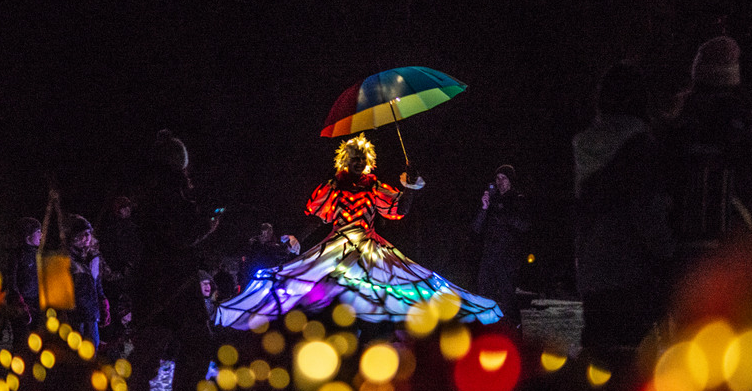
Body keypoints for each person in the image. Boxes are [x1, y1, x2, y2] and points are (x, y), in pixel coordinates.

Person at [215, 133, 503, 329]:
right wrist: (297, 238)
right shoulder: (333, 186)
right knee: (327, 290)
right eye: (354, 157)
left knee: (385, 292)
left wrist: (409, 187)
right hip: (338, 245)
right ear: (346, 160)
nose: (359, 162)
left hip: (369, 246)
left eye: (362, 158)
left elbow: (398, 209)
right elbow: (317, 217)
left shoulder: (374, 187)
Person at [572, 62, 674, 374]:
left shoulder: (583, 145)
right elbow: (647, 211)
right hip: (633, 272)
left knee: (601, 359)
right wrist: (668, 253)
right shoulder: (641, 146)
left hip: (592, 269)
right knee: (635, 365)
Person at [663, 35, 752, 279]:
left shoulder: (676, 130)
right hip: (737, 248)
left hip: (685, 251)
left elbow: (660, 190)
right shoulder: (751, 129)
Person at [129, 131, 222, 391]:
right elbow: (179, 234)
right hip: (169, 281)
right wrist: (206, 226)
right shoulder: (165, 190)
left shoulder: (156, 188)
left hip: (163, 280)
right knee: (158, 344)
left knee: (185, 340)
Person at [472, 164, 531, 333]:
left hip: (508, 257)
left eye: (503, 178)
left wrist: (500, 212)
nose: (500, 182)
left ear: (511, 180)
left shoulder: (518, 199)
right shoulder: (492, 201)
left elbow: (524, 225)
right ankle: (487, 331)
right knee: (485, 293)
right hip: (489, 255)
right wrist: (484, 207)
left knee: (508, 297)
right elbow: (476, 228)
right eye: (497, 178)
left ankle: (515, 332)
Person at [98, 196, 140, 350]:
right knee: (113, 310)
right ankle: (111, 345)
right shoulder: (109, 228)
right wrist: (116, 270)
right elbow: (108, 249)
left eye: (128, 207)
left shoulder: (133, 228)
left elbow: (135, 250)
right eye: (123, 207)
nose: (126, 210)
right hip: (113, 278)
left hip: (128, 277)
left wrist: (130, 266)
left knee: (127, 311)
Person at [67, 214, 110, 349]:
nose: (86, 237)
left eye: (88, 234)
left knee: (92, 345)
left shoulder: (93, 257)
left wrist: (102, 300)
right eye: (82, 234)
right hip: (74, 312)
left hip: (91, 311)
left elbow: (96, 282)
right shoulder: (67, 258)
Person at [4, 217, 43, 351]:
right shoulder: (17, 255)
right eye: (38, 232)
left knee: (35, 342)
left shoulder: (38, 255)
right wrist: (17, 301)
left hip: (35, 304)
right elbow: (11, 279)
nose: (41, 235)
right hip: (20, 304)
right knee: (21, 341)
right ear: (28, 236)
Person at [240, 223, 298, 287]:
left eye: (269, 231)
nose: (266, 234)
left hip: (273, 271)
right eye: (264, 232)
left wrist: (288, 246)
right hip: (259, 274)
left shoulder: (276, 242)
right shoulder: (255, 243)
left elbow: (283, 254)